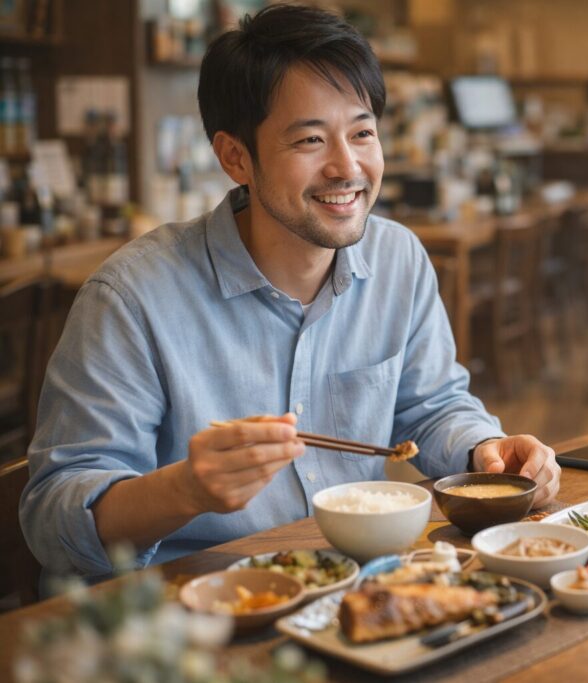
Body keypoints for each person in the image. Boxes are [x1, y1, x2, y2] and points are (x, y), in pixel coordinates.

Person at [19, 5, 560, 585]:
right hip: (196, 616)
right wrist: (183, 490)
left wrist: (487, 451)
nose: (347, 166)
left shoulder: (398, 259)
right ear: (235, 157)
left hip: (356, 588)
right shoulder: (131, 298)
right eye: (309, 139)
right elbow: (54, 519)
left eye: (362, 132)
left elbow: (432, 406)